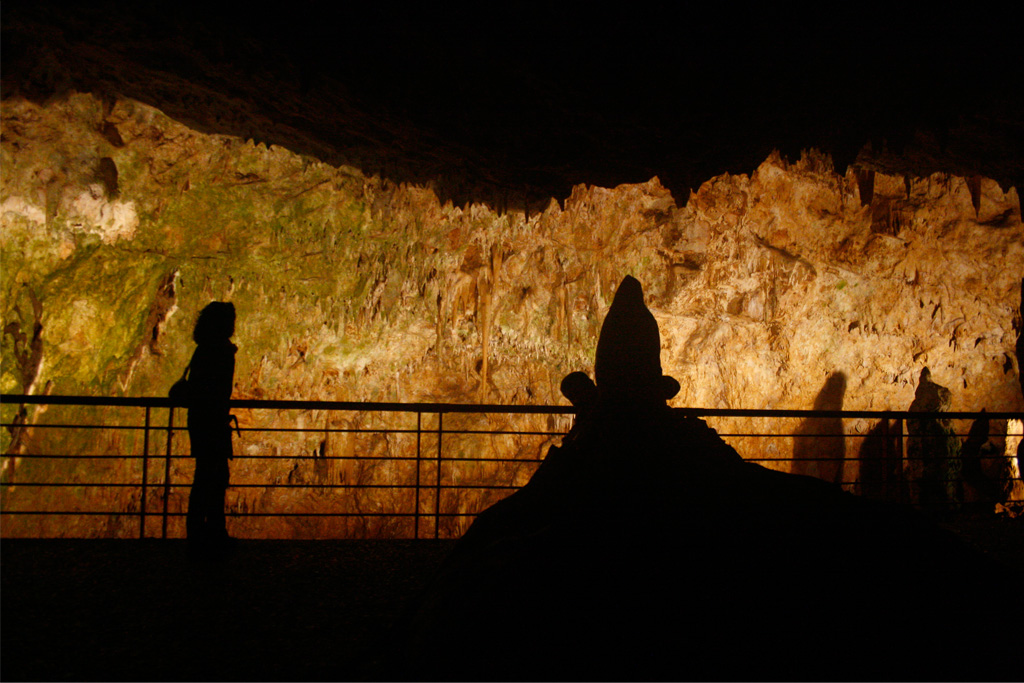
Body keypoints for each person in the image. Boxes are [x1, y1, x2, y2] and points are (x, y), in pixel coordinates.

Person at [185, 301, 238, 553]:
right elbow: (215, 389)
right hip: (212, 421)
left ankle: (203, 531)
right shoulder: (218, 350)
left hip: (201, 420)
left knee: (207, 477)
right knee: (211, 477)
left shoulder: (203, 348)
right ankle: (208, 532)